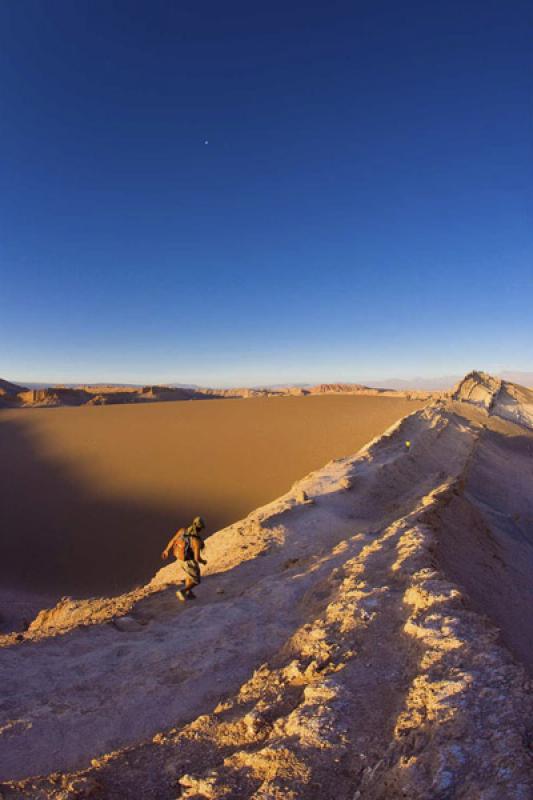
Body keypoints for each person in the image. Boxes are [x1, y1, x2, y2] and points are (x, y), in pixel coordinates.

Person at [161, 516, 207, 601]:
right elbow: (197, 558)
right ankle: (183, 591)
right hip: (189, 561)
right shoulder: (196, 541)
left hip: (179, 559)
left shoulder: (182, 531)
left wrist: (166, 550)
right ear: (200, 528)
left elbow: (173, 540)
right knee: (196, 580)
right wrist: (203, 561)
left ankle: (188, 593)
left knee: (189, 575)